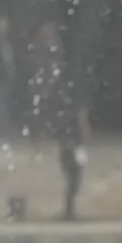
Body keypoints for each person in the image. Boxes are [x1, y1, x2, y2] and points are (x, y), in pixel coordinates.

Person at [28, 22, 90, 221]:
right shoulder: (48, 63)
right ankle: (69, 209)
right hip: (66, 125)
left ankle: (69, 208)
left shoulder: (59, 66)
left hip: (69, 125)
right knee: (72, 166)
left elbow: (73, 101)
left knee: (74, 167)